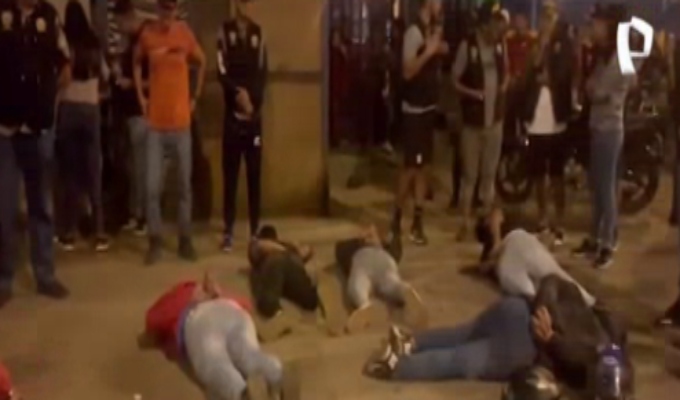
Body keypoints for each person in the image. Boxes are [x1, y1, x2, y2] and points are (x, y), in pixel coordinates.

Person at [364, 276, 623, 388]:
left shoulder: (584, 307)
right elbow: (577, 356)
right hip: (523, 349)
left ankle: (409, 342)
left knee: (462, 334)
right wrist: (549, 339)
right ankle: (395, 366)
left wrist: (541, 311)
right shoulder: (602, 359)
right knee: (459, 359)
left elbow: (552, 282)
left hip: (517, 309)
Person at [0, 0, 71, 307]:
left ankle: (45, 274)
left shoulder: (49, 17)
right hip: (5, 130)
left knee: (41, 205)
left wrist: (50, 101)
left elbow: (65, 64)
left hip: (39, 129)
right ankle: (4, 278)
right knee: (4, 208)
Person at [140, 272, 300, 400]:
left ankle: (240, 392)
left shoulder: (171, 300)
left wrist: (149, 339)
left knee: (215, 368)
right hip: (232, 309)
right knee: (248, 356)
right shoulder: (216, 292)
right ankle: (273, 371)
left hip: (197, 319)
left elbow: (150, 330)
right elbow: (246, 306)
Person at [134, 0, 206, 265]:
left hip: (181, 123)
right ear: (158, 9)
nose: (168, 13)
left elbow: (202, 61)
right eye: (164, 8)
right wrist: (141, 97)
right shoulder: (148, 35)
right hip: (156, 124)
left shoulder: (184, 33)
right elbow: (136, 62)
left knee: (184, 186)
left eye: (171, 8)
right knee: (152, 187)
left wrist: (195, 97)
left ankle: (185, 239)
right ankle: (155, 240)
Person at [572, 4, 633, 269]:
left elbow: (613, 89)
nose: (594, 27)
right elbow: (590, 87)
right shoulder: (602, 53)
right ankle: (595, 238)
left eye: (598, 23)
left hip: (610, 129)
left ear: (610, 25)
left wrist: (601, 93)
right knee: (597, 186)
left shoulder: (621, 54)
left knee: (607, 189)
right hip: (598, 125)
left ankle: (608, 243)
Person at [388, 0, 448, 246]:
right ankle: (395, 219)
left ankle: (417, 222)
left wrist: (439, 47)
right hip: (413, 110)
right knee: (411, 167)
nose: (441, 4)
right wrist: (429, 52)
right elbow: (408, 70)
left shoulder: (430, 28)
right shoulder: (413, 32)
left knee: (424, 167)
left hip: (428, 108)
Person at [53, 0, 109, 252]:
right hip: (91, 109)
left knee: (70, 173)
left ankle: (69, 232)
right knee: (94, 171)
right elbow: (105, 75)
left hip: (68, 108)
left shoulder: (66, 42)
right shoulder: (94, 43)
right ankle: (99, 232)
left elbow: (60, 77)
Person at [453, 1, 509, 240]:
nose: (497, 30)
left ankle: (486, 226)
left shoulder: (500, 45)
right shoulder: (468, 46)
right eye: (494, 25)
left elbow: (506, 72)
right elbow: (454, 80)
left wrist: (503, 87)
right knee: (469, 177)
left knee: (489, 176)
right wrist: (473, 94)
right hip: (473, 124)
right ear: (484, 25)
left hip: (495, 121)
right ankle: (464, 223)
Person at [217, 0, 268, 252]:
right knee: (230, 175)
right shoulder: (224, 31)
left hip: (253, 118)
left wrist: (252, 101)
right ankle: (228, 230)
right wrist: (238, 94)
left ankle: (255, 230)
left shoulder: (259, 33)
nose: (244, 6)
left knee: (254, 174)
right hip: (232, 117)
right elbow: (221, 70)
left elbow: (263, 71)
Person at [521, 5, 574, 241]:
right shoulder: (537, 44)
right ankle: (542, 218)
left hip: (556, 119)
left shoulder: (564, 43)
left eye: (550, 16)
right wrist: (540, 49)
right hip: (536, 120)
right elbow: (528, 74)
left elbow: (564, 74)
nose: (546, 21)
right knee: (538, 175)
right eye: (544, 17)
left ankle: (559, 221)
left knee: (557, 175)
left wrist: (547, 78)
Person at [475, 207, 595, 306]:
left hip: (514, 255)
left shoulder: (503, 232)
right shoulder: (498, 229)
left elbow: (486, 264)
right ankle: (588, 302)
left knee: (537, 294)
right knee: (552, 279)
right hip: (517, 244)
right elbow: (496, 216)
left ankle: (585, 303)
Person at [248, 225, 347, 340]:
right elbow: (262, 245)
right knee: (304, 296)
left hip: (286, 268)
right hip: (284, 266)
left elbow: (308, 251)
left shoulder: (280, 249)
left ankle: (278, 314)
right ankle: (286, 312)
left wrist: (298, 247)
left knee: (273, 296)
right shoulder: (261, 245)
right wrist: (291, 249)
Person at [334, 223, 427, 333]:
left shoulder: (356, 248)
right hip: (375, 260)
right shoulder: (356, 247)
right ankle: (405, 291)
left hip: (368, 261)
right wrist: (365, 239)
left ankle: (364, 304)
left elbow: (340, 250)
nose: (367, 237)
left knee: (358, 283)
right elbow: (339, 249)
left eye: (371, 235)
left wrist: (369, 240)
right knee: (390, 283)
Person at [112, 0, 149, 236]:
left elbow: (154, 79)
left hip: (141, 112)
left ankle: (144, 216)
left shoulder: (145, 41)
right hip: (129, 113)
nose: (119, 28)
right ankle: (135, 213)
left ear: (128, 16)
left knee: (142, 168)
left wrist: (131, 84)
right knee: (133, 168)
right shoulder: (130, 42)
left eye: (119, 23)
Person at [504, 11, 535, 140]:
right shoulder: (508, 40)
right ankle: (510, 142)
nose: (519, 23)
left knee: (525, 116)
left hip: (527, 84)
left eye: (521, 20)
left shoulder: (533, 40)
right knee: (510, 115)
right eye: (517, 20)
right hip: (512, 84)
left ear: (527, 22)